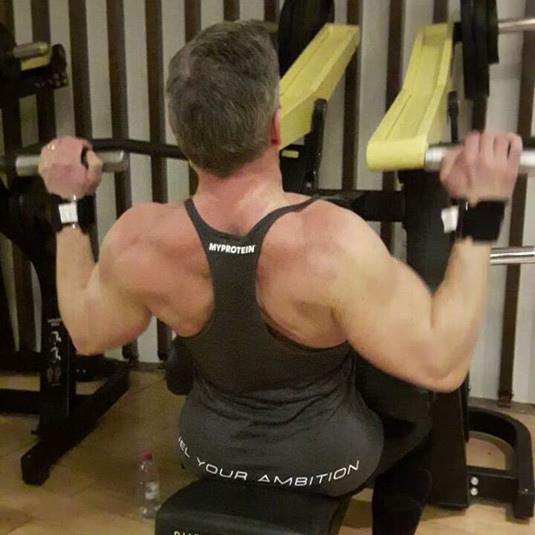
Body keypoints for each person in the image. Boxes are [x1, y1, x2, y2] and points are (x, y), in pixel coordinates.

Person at [38, 20, 522, 535]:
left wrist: (68, 204)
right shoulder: (334, 243)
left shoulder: (140, 239)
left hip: (204, 452)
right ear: (275, 126)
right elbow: (442, 364)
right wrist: (482, 214)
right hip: (330, 463)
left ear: (179, 131)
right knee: (414, 415)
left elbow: (86, 333)